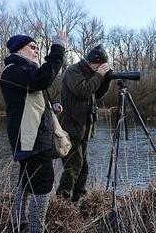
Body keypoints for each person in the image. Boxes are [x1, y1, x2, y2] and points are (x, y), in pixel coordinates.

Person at [0, 32, 66, 233]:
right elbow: (42, 80)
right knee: (43, 184)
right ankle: (36, 229)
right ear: (18, 50)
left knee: (26, 181)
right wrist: (58, 49)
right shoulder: (13, 71)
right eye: (32, 46)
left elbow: (28, 103)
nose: (36, 50)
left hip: (33, 138)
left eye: (38, 47)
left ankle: (18, 223)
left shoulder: (25, 70)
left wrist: (50, 107)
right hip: (32, 141)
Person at [56, 44, 111, 202]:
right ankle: (62, 201)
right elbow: (83, 91)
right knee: (74, 167)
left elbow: (97, 93)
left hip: (83, 130)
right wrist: (99, 75)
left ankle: (77, 200)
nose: (100, 69)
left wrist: (105, 80)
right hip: (70, 129)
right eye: (100, 66)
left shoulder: (91, 73)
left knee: (83, 169)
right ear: (93, 62)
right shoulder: (73, 71)